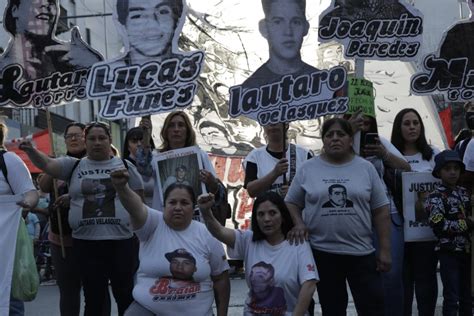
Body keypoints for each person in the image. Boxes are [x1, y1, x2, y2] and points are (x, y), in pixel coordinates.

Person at [21, 122, 144, 316]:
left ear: (110, 140)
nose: (97, 143)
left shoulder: (126, 166)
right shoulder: (74, 165)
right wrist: (31, 151)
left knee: (125, 296)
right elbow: (48, 165)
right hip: (87, 244)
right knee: (93, 298)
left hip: (121, 243)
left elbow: (139, 202)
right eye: (92, 139)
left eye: (102, 138)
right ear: (85, 142)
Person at [285, 118, 391, 315]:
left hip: (361, 253)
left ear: (350, 140)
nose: (335, 139)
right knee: (332, 309)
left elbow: (381, 210)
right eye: (329, 135)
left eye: (341, 134)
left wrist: (384, 249)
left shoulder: (365, 168)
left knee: (373, 309)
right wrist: (298, 223)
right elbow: (291, 201)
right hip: (323, 254)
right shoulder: (308, 168)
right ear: (323, 140)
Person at [108, 169, 230, 316]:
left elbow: (221, 278)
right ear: (164, 205)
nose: (178, 207)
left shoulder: (207, 233)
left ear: (193, 208)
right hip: (148, 309)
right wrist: (122, 188)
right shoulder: (152, 223)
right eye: (172, 202)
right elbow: (135, 207)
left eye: (184, 203)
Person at [199, 190, 317, 315]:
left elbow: (309, 285)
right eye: (261, 214)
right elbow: (219, 231)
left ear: (283, 216)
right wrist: (206, 212)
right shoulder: (248, 240)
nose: (266, 219)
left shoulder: (298, 243)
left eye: (272, 213)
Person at [347, 110, 410, 316]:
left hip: (387, 214)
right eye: (355, 114)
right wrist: (349, 135)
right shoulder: (340, 144)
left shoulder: (380, 141)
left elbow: (406, 167)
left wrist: (384, 154)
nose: (361, 118)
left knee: (391, 276)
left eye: (366, 114)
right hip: (355, 219)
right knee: (364, 279)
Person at [390, 108, 441, 316]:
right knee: (402, 281)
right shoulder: (390, 155)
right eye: (406, 123)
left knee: (426, 281)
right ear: (398, 128)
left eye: (416, 122)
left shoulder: (434, 154)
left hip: (425, 231)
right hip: (397, 229)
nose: (412, 127)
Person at [0, 0, 102, 80]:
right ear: (15, 10)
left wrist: (93, 66)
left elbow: (105, 88)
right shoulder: (3, 69)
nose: (46, 4)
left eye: (52, 1)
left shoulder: (72, 59)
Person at [426, 150, 473, 316]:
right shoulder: (435, 196)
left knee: (467, 295)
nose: (453, 172)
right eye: (448, 169)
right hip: (448, 252)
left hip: (467, 252)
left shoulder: (464, 193)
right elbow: (437, 224)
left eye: (456, 168)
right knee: (452, 297)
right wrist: (465, 224)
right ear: (439, 172)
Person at [0, 123, 39, 316]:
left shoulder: (8, 160)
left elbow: (30, 192)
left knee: (8, 301)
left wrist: (27, 202)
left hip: (6, 247)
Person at [241, 0, 322, 91]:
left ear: (305, 27)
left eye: (295, 22)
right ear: (264, 28)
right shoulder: (248, 90)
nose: (288, 32)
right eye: (278, 22)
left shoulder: (324, 83)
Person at [151, 111, 222, 214]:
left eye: (181, 125)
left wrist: (211, 181)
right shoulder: (155, 157)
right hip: (163, 218)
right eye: (171, 126)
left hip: (195, 219)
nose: (176, 129)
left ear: (188, 131)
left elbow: (215, 190)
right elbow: (143, 172)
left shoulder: (201, 155)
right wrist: (145, 134)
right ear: (166, 131)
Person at [244, 122, 313, 198]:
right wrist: (275, 173)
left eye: (276, 120)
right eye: (268, 122)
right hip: (268, 208)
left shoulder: (304, 154)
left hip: (297, 209)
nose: (272, 125)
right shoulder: (254, 157)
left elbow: (315, 185)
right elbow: (251, 191)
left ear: (286, 125)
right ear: (264, 127)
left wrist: (295, 192)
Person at [112, 0, 185, 66]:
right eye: (137, 16)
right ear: (123, 26)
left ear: (177, 20)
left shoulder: (189, 69)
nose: (152, 25)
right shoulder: (109, 75)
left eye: (162, 12)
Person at [122, 118, 156, 207]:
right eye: (134, 141)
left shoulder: (157, 161)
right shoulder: (123, 167)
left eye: (142, 140)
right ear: (128, 146)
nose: (139, 144)